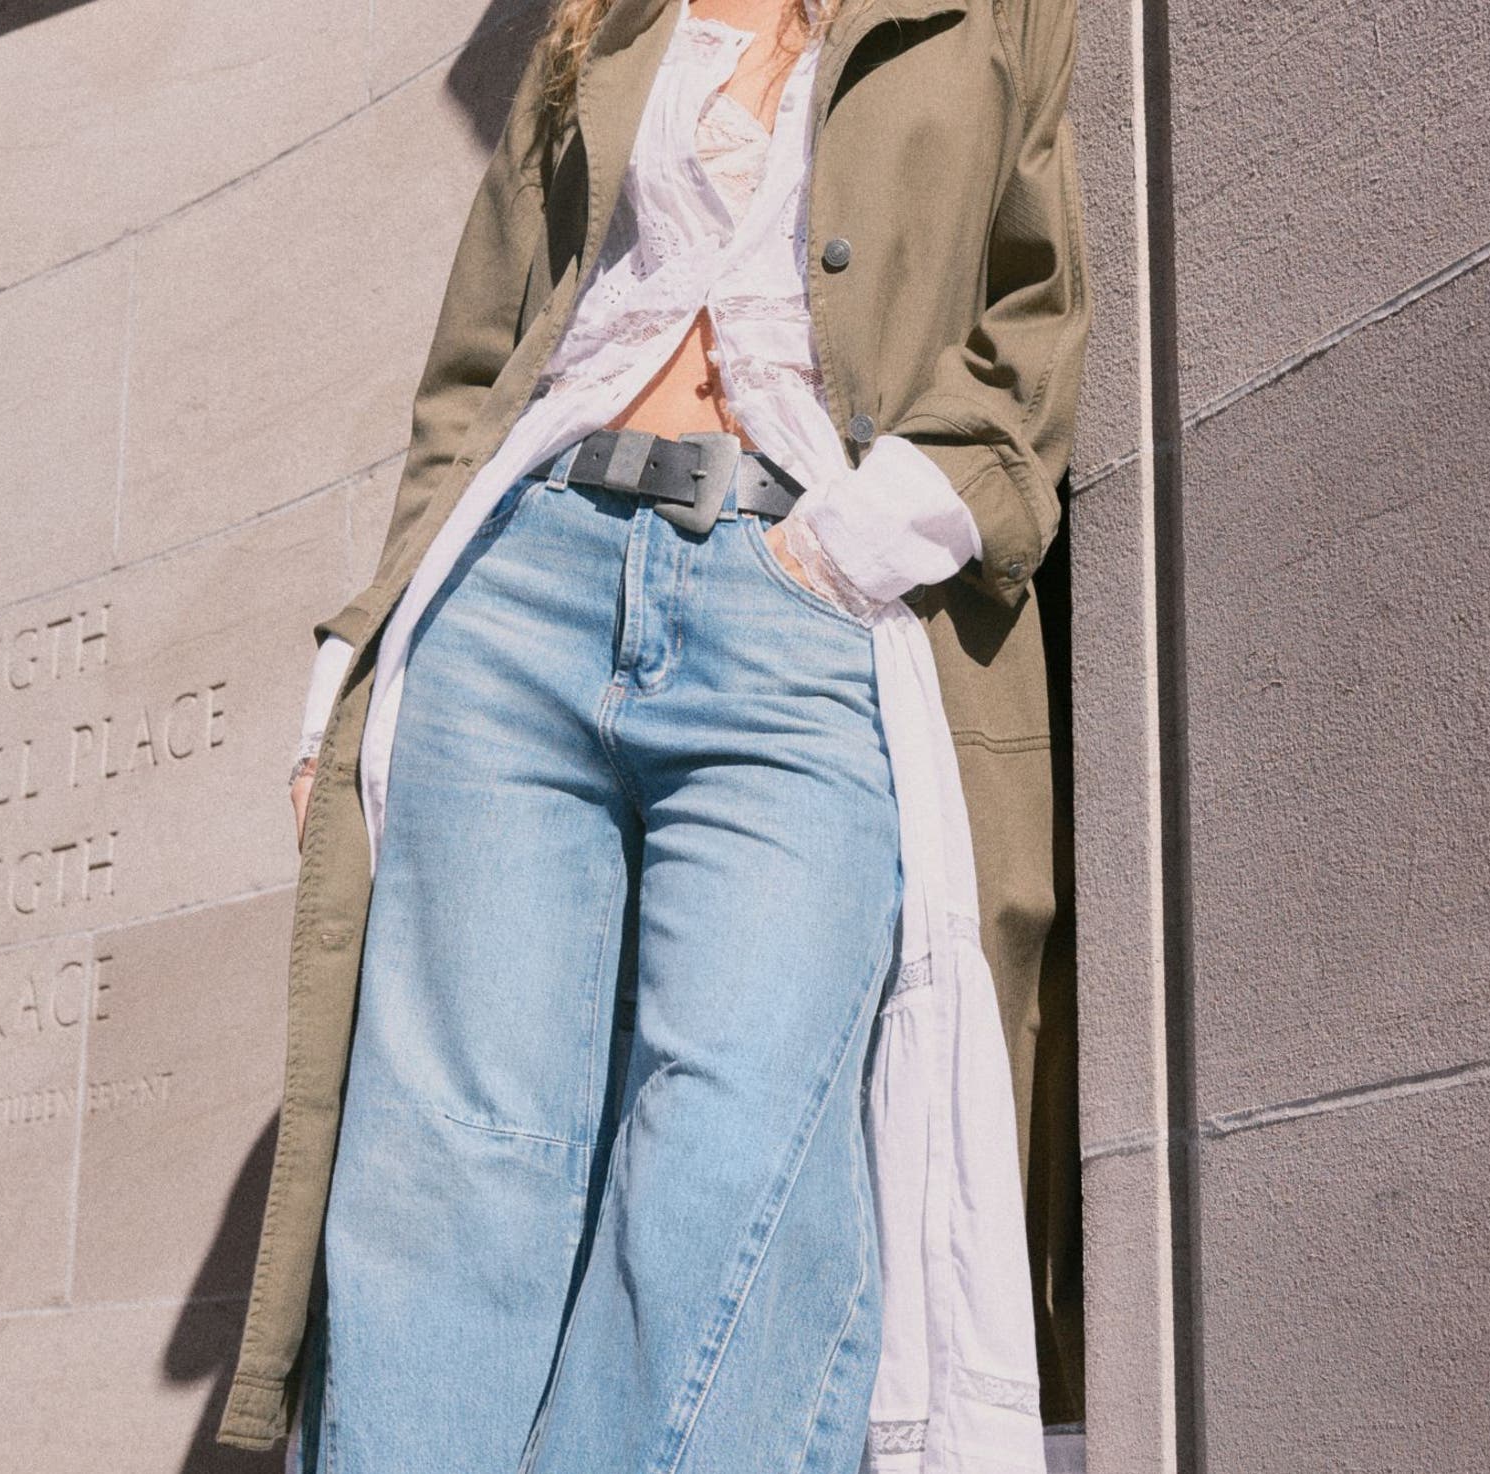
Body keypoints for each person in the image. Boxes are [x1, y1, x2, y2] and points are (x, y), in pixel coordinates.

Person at [218, 0, 1091, 1468]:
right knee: (450, 1167)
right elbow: (472, 375)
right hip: (521, 590)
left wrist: (854, 546)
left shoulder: (992, 13)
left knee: (736, 1156)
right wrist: (360, 665)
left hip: (798, 593)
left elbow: (1034, 326)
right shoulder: (603, 23)